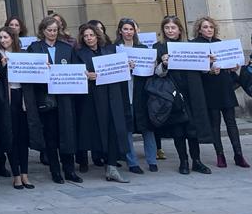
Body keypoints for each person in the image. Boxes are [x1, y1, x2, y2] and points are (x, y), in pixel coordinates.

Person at [24, 17, 81, 184]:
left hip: (64, 98)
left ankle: (69, 170)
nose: (52, 33)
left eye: (55, 30)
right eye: (49, 30)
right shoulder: (34, 48)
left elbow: (75, 69)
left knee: (67, 133)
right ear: (43, 31)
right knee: (51, 136)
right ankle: (55, 171)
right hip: (45, 98)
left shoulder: (66, 48)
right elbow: (29, 72)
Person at [154, 15, 213, 175]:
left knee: (193, 129)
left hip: (192, 91)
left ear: (180, 30)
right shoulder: (158, 47)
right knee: (178, 129)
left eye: (173, 28)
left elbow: (203, 70)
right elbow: (156, 73)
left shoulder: (191, 46)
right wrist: (163, 64)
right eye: (167, 28)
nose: (170, 30)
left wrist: (209, 62)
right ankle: (183, 161)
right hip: (172, 92)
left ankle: (197, 161)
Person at [74, 24, 129, 183]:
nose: (89, 38)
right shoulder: (79, 54)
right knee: (98, 131)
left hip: (112, 96)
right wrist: (85, 75)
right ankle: (98, 160)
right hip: (93, 99)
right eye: (86, 36)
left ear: (97, 35)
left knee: (113, 128)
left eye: (91, 35)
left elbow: (119, 69)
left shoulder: (110, 50)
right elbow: (76, 73)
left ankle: (111, 167)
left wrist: (127, 67)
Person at [192, 17, 248, 168]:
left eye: (211, 27)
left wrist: (232, 67)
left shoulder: (220, 43)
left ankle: (238, 154)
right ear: (199, 29)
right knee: (215, 124)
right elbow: (193, 68)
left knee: (231, 123)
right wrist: (208, 68)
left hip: (224, 87)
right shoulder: (195, 45)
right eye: (205, 27)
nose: (209, 29)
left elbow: (228, 62)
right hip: (209, 88)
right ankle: (220, 155)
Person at [114, 17, 158, 173]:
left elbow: (151, 70)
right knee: (127, 129)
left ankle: (152, 160)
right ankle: (132, 162)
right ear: (120, 31)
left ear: (135, 31)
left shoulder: (143, 48)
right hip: (123, 93)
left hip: (141, 93)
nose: (128, 32)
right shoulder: (114, 49)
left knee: (147, 127)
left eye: (131, 29)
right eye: (125, 29)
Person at [0, 27, 31, 190]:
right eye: (0, 37)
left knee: (23, 137)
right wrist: (0, 70)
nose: (3, 40)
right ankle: (16, 175)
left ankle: (25, 174)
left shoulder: (22, 54)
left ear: (13, 38)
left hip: (22, 98)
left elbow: (32, 73)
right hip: (5, 100)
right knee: (11, 137)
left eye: (6, 37)